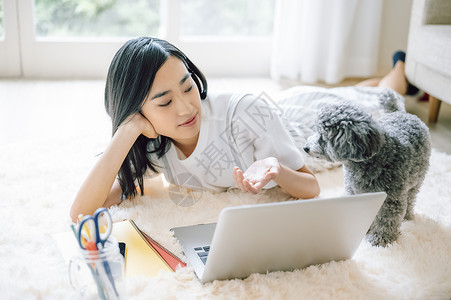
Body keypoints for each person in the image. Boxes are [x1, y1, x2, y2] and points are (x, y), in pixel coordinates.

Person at [69, 37, 412, 222]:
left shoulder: (243, 112)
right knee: (356, 92)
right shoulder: (157, 145)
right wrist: (126, 132)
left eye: (188, 87)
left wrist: (277, 169)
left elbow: (311, 188)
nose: (187, 108)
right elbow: (82, 211)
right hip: (277, 113)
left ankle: (400, 64)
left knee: (385, 98)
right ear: (139, 113)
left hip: (303, 123)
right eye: (164, 102)